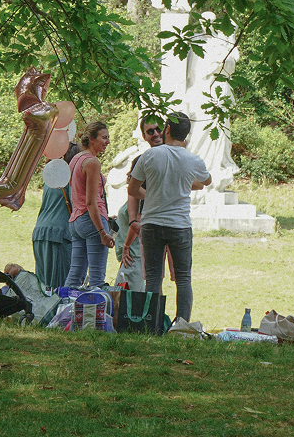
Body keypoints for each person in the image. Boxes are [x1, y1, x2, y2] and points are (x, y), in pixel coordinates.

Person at [128, 111, 212, 322]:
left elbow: (132, 189)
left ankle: (151, 322)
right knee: (183, 279)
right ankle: (181, 324)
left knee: (153, 277)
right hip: (180, 225)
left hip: (151, 224)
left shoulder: (149, 156)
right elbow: (207, 181)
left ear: (167, 129)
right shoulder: (193, 159)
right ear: (186, 135)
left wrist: (154, 195)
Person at [63, 122, 114, 289]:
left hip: (76, 221)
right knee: (97, 278)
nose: (107, 141)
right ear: (92, 139)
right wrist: (103, 232)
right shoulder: (92, 162)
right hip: (92, 220)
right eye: (104, 137)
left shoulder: (75, 159)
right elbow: (91, 202)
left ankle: (64, 304)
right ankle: (97, 306)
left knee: (75, 275)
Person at [117, 118, 165, 290]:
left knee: (180, 278)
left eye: (159, 129)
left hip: (174, 224)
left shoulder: (177, 155)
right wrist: (132, 223)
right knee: (153, 278)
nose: (156, 134)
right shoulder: (141, 161)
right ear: (144, 136)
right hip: (151, 225)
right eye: (150, 131)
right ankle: (155, 307)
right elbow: (133, 196)